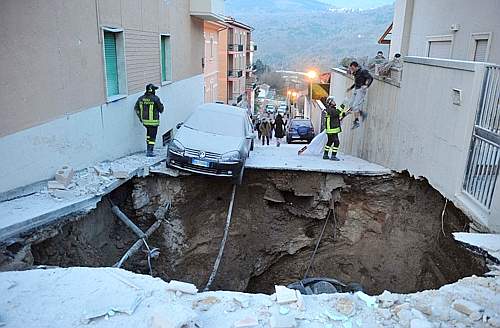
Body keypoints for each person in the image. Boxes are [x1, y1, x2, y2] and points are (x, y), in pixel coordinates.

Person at [134, 84, 164, 157]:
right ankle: (150, 152)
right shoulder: (155, 99)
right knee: (152, 137)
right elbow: (161, 110)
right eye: (154, 90)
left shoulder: (140, 98)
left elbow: (136, 108)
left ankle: (148, 149)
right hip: (153, 122)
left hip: (145, 122)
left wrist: (140, 118)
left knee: (148, 135)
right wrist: (161, 105)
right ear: (152, 90)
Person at [347, 61, 373, 129]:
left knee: (355, 106)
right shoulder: (355, 73)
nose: (352, 70)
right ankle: (362, 113)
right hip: (356, 89)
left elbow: (370, 78)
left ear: (356, 67)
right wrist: (351, 88)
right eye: (351, 68)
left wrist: (366, 85)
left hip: (361, 90)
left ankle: (356, 122)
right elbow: (356, 82)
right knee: (351, 105)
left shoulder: (363, 71)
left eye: (352, 68)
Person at [323, 96, 347, 161]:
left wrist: (345, 113)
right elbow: (337, 113)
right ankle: (333, 156)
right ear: (330, 103)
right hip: (332, 129)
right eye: (333, 101)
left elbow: (338, 115)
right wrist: (343, 105)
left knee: (330, 142)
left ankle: (325, 155)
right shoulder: (330, 109)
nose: (334, 102)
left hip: (331, 129)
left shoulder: (331, 109)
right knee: (336, 142)